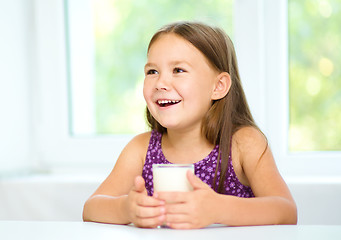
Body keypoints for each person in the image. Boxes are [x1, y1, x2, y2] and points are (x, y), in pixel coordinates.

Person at [83, 21, 297, 229]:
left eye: (178, 70)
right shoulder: (141, 149)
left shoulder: (244, 143)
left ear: (218, 86)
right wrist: (125, 209)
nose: (160, 83)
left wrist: (219, 209)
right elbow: (91, 208)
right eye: (152, 71)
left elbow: (286, 211)